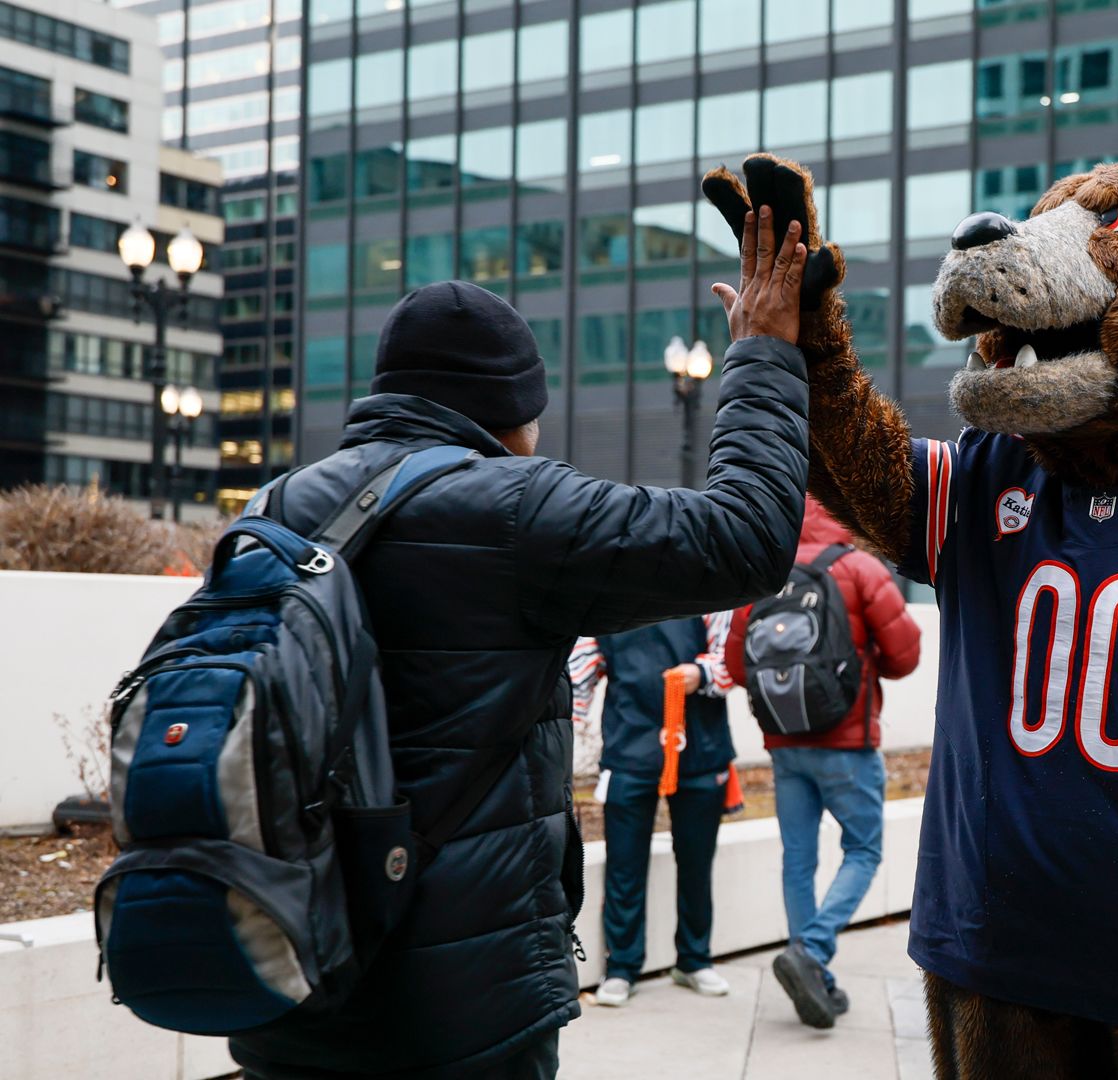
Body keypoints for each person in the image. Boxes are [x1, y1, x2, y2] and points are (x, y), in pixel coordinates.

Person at [226, 212, 812, 1080]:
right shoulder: (518, 508)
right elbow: (749, 539)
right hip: (464, 1011)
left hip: (288, 980)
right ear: (511, 409)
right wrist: (762, 356)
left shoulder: (271, 509)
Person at [710, 496, 921, 1028]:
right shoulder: (859, 568)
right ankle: (814, 952)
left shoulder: (763, 577)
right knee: (865, 850)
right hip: (846, 744)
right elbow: (905, 655)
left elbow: (736, 666)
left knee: (797, 861)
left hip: (785, 747)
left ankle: (816, 975)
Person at [570, 618, 738, 1007]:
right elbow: (577, 676)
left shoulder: (710, 587)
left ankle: (695, 959)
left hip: (700, 747)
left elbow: (732, 660)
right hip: (630, 749)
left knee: (696, 863)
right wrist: (568, 728)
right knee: (624, 866)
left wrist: (701, 672)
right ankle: (622, 967)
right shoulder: (607, 599)